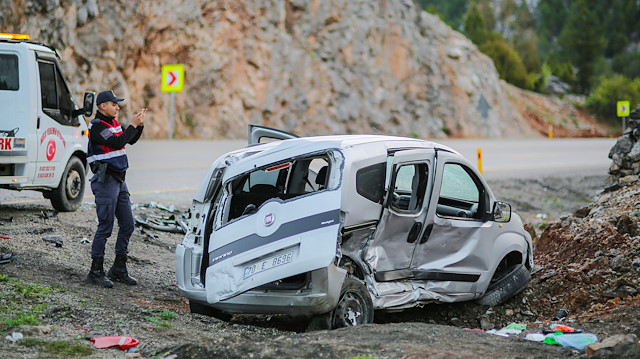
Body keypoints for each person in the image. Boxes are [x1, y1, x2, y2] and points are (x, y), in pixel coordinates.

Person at [86, 90, 146, 288]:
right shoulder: (96, 126)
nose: (117, 107)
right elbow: (117, 142)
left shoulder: (114, 124)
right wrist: (133, 125)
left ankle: (119, 269)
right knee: (105, 226)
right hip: (106, 181)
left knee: (128, 224)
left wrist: (140, 125)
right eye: (114, 104)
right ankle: (96, 271)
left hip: (120, 180)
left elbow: (130, 140)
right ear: (103, 106)